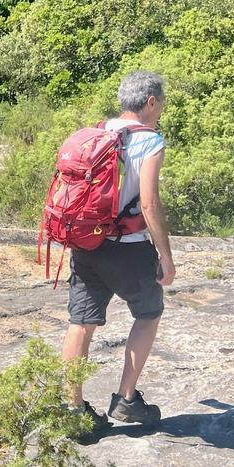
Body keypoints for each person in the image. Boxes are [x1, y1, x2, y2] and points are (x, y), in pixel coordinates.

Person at [62, 71, 175, 436]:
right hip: (128, 249)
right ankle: (126, 400)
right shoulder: (149, 141)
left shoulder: (96, 132)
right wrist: (166, 256)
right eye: (161, 104)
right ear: (150, 102)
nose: (161, 111)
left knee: (81, 321)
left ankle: (73, 408)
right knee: (148, 313)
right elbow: (149, 203)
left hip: (85, 244)